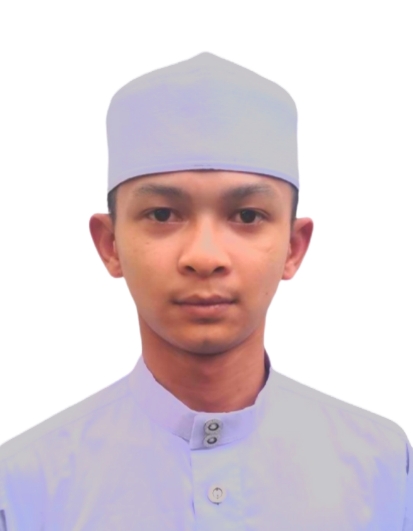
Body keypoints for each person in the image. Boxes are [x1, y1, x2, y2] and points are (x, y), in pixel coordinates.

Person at [0, 51, 411, 530]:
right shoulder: (26, 486)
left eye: (247, 216)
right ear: (110, 245)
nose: (205, 255)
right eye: (162, 215)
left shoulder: (382, 468)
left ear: (294, 247)